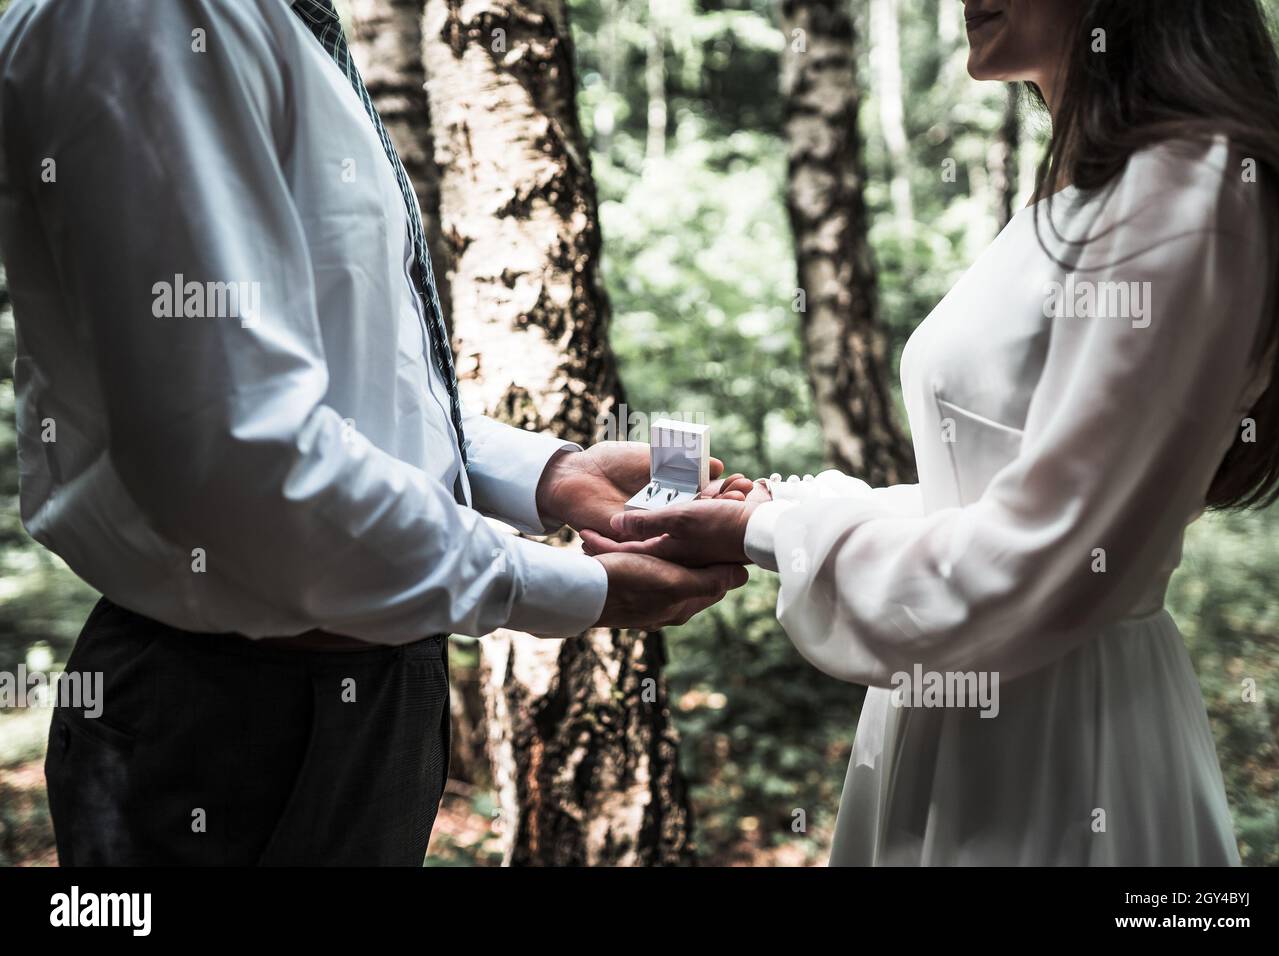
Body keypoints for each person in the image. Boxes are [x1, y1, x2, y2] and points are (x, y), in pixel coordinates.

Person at [0, 0, 748, 865]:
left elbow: (330, 396)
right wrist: (568, 588)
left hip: (339, 706)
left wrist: (549, 477)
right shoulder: (156, 19)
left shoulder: (272, 22)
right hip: (235, 727)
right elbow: (233, 452)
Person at [586, 0, 1279, 864]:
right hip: (966, 716)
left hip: (1060, 753)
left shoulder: (1187, 192)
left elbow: (1039, 559)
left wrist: (763, 529)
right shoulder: (1094, 187)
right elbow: (1004, 491)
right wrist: (784, 506)